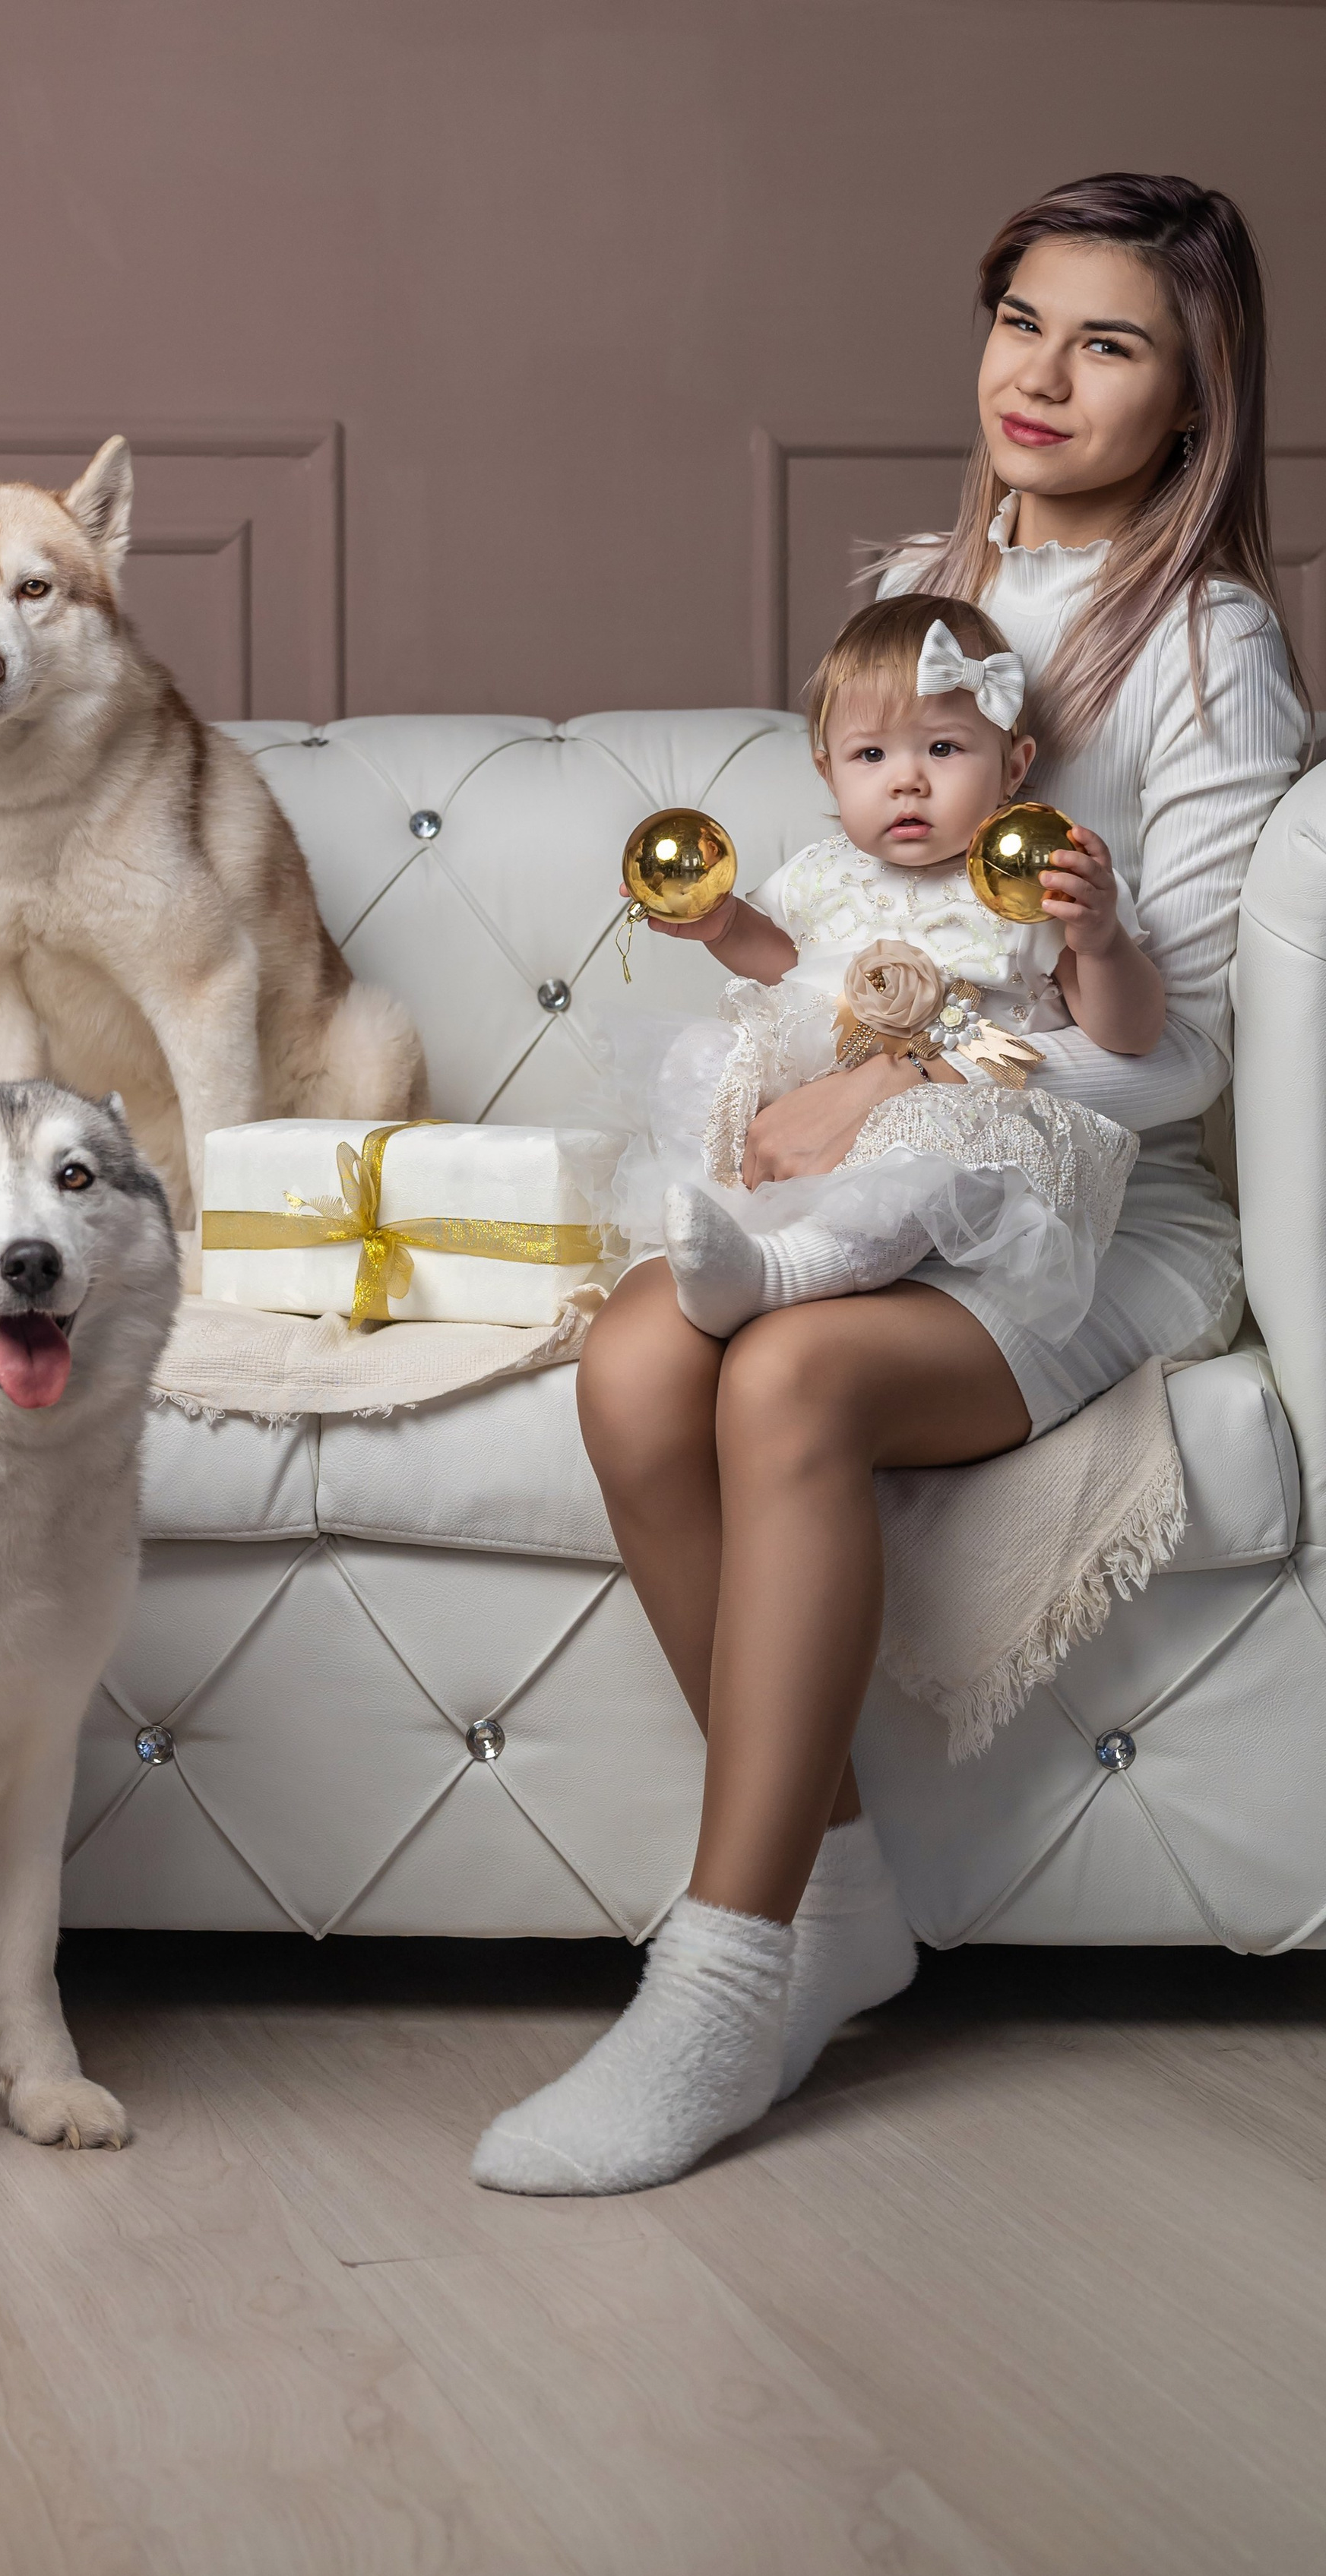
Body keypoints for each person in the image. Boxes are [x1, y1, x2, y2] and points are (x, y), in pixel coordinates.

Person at [472, 173, 1306, 2198]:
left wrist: (900, 1075)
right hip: (899, 1130)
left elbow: (1175, 1058)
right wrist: (818, 1024)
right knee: (638, 1361)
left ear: (1194, 399)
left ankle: (722, 1970)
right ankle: (839, 1893)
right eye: (1024, 318)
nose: (1045, 372)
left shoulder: (1208, 653)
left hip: (1095, 1193)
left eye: (1110, 342)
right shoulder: (926, 578)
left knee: (787, 1380)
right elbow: (879, 903)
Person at [628, 590, 1144, 1348]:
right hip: (810, 1100)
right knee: (698, 1056)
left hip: (945, 1103)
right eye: (871, 755)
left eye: (942, 748)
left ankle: (778, 1274)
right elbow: (786, 966)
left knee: (915, 1159)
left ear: (1014, 766)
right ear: (827, 771)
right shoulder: (819, 871)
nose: (906, 780)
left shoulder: (1035, 880)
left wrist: (1099, 941)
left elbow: (1128, 1032)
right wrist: (727, 924)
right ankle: (716, 1214)